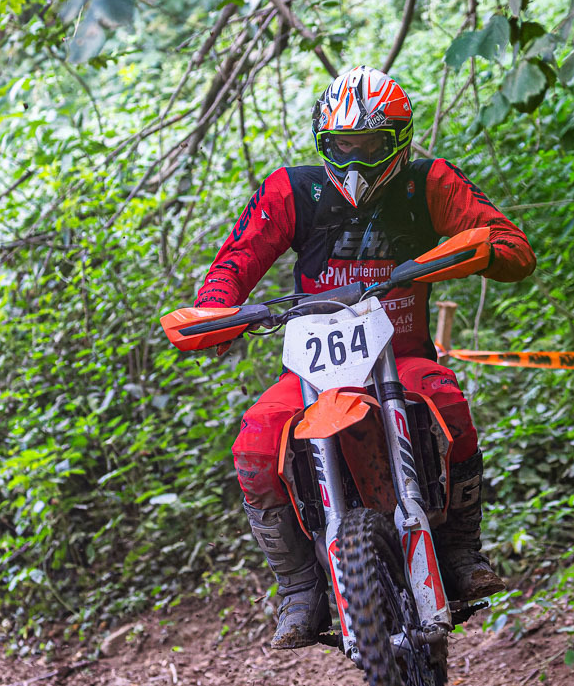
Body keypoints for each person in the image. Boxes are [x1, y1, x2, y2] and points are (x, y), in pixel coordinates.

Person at [195, 65, 536, 647]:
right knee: (254, 442)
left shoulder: (428, 183)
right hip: (314, 372)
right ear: (323, 144)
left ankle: (460, 550)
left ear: (397, 141)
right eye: (341, 147)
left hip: (400, 360)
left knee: (450, 404)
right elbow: (236, 259)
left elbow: (511, 245)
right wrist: (216, 312)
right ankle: (299, 587)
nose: (354, 162)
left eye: (370, 146)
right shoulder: (292, 189)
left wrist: (476, 254)